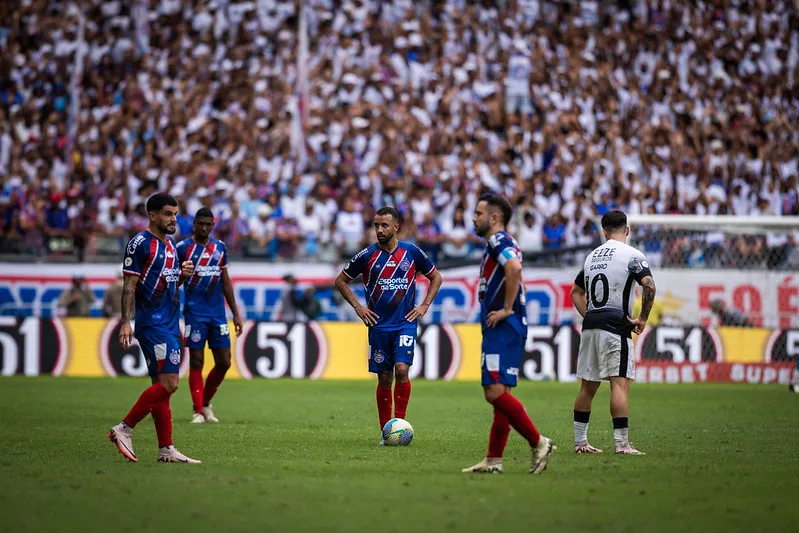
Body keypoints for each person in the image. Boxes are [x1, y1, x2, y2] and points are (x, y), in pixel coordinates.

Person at [462, 194, 555, 475]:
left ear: (493, 218)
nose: (473, 218)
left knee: (492, 392)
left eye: (478, 213)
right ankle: (493, 460)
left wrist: (505, 309)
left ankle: (539, 441)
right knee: (501, 392)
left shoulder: (498, 240)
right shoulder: (505, 242)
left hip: (503, 326)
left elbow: (514, 268)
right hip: (510, 326)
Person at [334, 206, 443, 443]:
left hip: (405, 323)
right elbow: (340, 281)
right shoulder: (366, 256)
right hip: (379, 326)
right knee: (384, 377)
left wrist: (424, 305)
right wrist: (358, 308)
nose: (379, 230)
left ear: (396, 227)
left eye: (384, 225)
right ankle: (386, 433)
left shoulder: (411, 252)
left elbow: (436, 277)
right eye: (376, 226)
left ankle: (400, 425)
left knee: (402, 369)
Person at [107, 193, 200, 464]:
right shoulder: (140, 244)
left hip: (171, 322)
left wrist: (181, 276)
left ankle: (166, 448)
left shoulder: (170, 245)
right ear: (153, 215)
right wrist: (126, 321)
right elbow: (130, 286)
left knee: (160, 386)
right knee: (170, 383)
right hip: (153, 324)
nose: (174, 219)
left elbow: (169, 284)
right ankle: (124, 428)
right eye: (169, 214)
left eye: (175, 213)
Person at [569, 210, 656, 456]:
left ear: (604, 232)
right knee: (619, 384)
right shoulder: (633, 255)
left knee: (588, 386)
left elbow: (576, 292)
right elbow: (649, 285)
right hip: (616, 325)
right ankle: (622, 444)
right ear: (627, 230)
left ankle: (580, 442)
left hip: (592, 325)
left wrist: (591, 315)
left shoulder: (591, 257)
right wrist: (643, 318)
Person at [177, 207, 243, 423]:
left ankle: (205, 403)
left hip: (217, 314)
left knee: (224, 362)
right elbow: (173, 280)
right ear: (194, 224)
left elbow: (225, 280)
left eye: (208, 224)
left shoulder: (220, 247)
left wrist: (235, 313)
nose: (204, 228)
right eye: (200, 224)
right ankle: (198, 411)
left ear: (212, 225)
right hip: (195, 313)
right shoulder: (183, 248)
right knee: (196, 361)